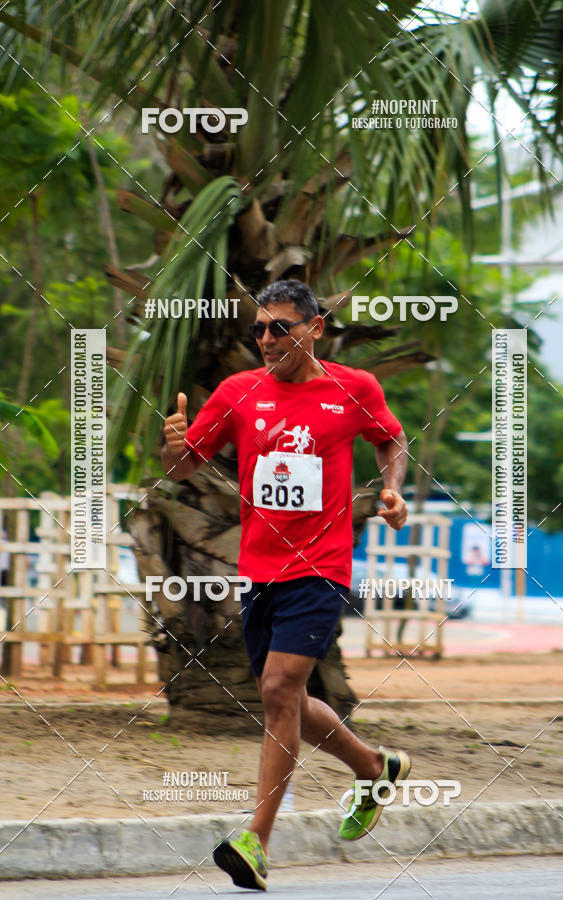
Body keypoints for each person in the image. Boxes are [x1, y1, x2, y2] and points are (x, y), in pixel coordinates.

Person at [162, 279, 411, 891]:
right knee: (287, 701)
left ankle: (256, 841)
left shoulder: (353, 388)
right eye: (259, 329)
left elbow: (391, 438)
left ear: (315, 328)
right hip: (260, 570)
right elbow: (186, 463)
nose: (267, 340)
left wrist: (392, 487)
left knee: (277, 687)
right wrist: (172, 447)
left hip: (322, 567)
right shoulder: (238, 392)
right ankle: (375, 767)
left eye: (281, 327)